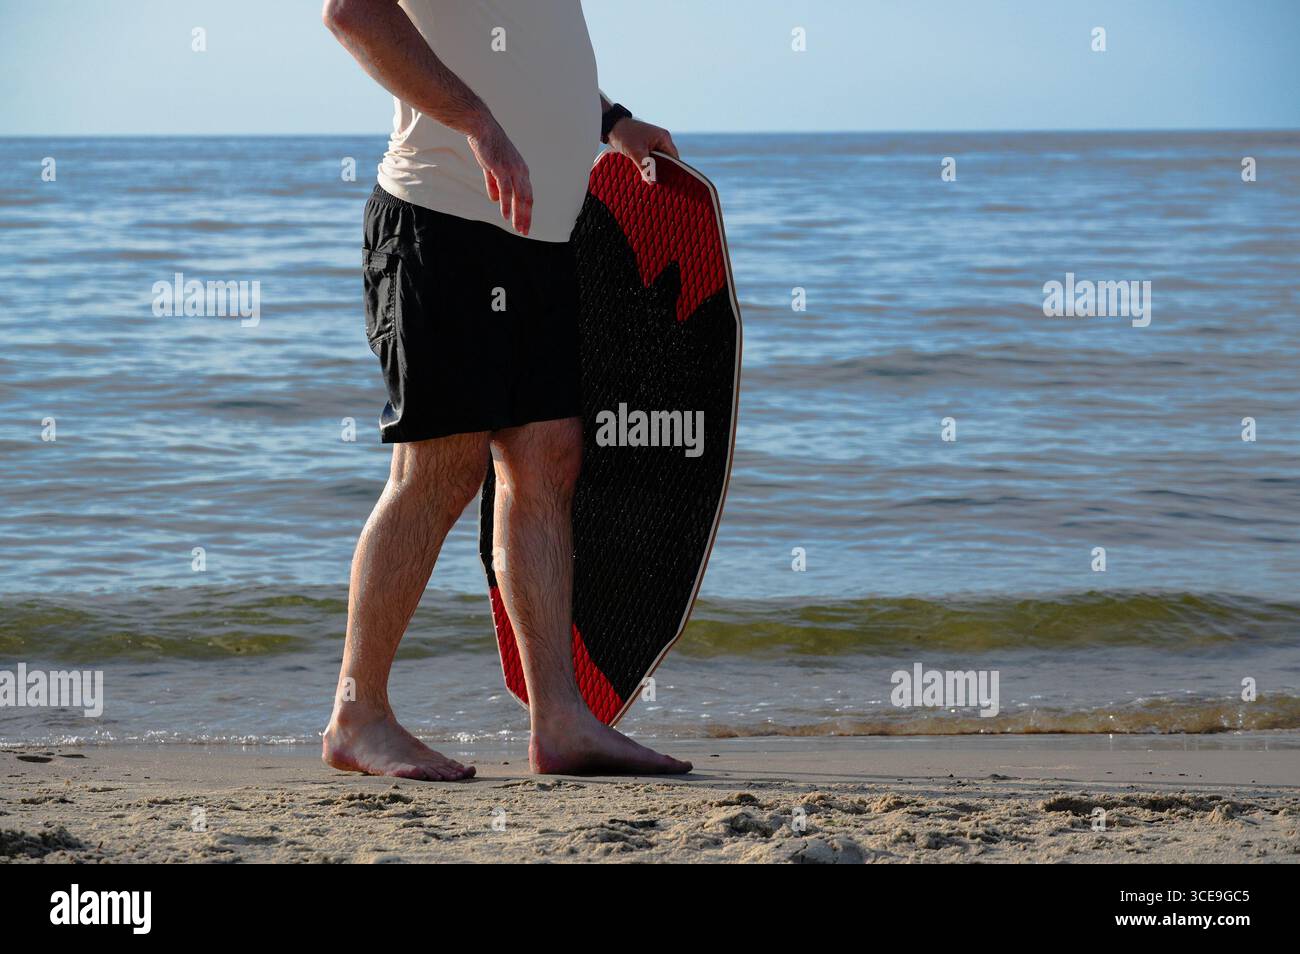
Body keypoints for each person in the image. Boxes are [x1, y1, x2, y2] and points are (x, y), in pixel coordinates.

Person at [319, 0, 692, 779]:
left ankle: (559, 721)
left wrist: (610, 121)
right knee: (440, 467)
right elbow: (352, 14)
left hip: (541, 237)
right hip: (443, 218)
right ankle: (359, 714)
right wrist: (477, 123)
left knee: (546, 460)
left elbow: (524, 55)